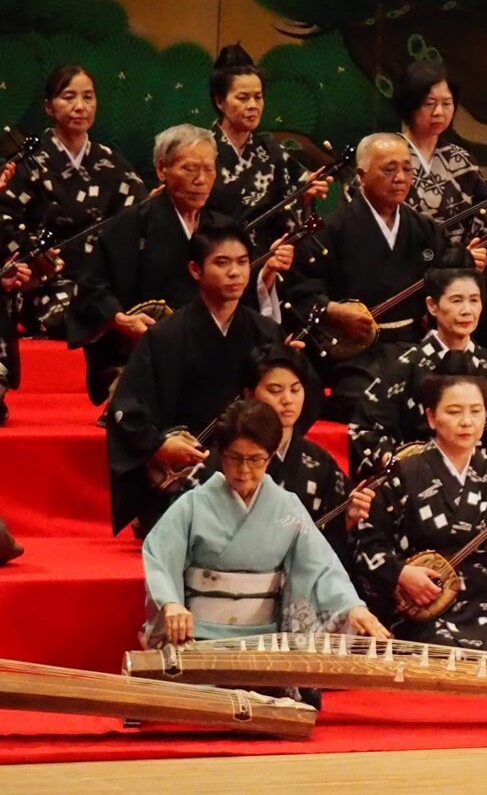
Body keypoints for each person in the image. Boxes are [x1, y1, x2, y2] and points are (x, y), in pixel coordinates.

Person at [140, 398, 391, 645]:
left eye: (255, 459)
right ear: (220, 454)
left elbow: (322, 567)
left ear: (270, 458)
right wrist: (171, 603)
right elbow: (160, 558)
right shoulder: (193, 505)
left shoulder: (287, 507)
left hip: (263, 641)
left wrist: (351, 606)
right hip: (199, 637)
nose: (244, 470)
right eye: (235, 458)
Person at [351, 371, 487, 652]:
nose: (466, 421)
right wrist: (400, 573)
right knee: (438, 654)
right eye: (453, 411)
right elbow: (368, 543)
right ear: (431, 417)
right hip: (421, 609)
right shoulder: (402, 476)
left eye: (476, 411)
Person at [100, 217, 280, 534]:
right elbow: (127, 410)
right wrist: (159, 445)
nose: (235, 273)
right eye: (222, 263)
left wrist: (292, 374)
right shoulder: (165, 336)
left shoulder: (266, 333)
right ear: (196, 270)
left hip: (250, 465)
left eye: (242, 262)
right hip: (183, 472)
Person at [283, 132, 476, 404]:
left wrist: (466, 266)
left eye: (407, 169)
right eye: (389, 169)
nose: (400, 178)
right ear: (361, 175)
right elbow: (301, 290)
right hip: (357, 353)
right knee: (371, 398)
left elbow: (445, 283)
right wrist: (333, 310)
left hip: (415, 344)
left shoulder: (424, 229)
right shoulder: (332, 229)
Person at [66, 124, 243, 403]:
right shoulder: (132, 224)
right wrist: (120, 319)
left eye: (209, 169)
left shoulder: (222, 229)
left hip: (210, 351)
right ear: (162, 169)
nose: (201, 179)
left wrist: (265, 276)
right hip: (140, 351)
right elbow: (92, 284)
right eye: (189, 169)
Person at [0, 63, 146, 355]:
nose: (80, 106)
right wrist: (37, 255)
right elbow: (6, 218)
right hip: (45, 286)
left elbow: (138, 213)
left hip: (100, 282)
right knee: (74, 312)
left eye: (88, 97)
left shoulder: (109, 162)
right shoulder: (29, 161)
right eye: (68, 97)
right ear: (49, 107)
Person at [351, 269, 487, 478]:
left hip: (483, 488)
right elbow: (365, 430)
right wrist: (398, 463)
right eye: (456, 300)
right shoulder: (406, 367)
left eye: (474, 300)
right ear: (432, 306)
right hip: (419, 486)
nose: (466, 310)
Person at [242, 345, 362, 556]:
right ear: (249, 394)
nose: (288, 400)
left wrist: (347, 520)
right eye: (275, 391)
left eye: (295, 389)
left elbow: (331, 540)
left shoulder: (320, 462)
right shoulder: (228, 458)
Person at [207, 44, 305, 233]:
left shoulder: (274, 155)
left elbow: (291, 216)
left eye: (258, 97)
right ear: (219, 101)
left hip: (265, 258)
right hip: (214, 253)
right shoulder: (200, 150)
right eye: (243, 98)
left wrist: (305, 195)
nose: (253, 105)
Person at [393, 60, 487, 233]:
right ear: (410, 105)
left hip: (460, 258)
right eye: (429, 104)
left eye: (446, 103)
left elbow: (484, 213)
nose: (438, 112)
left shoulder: (461, 160)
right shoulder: (385, 156)